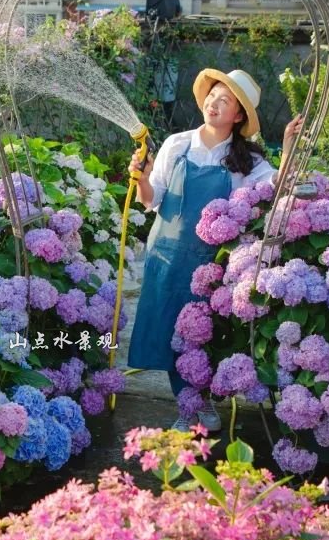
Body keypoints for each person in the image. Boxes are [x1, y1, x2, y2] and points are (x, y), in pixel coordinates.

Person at [127, 68, 304, 432]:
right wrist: (142, 178)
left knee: (202, 332)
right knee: (169, 330)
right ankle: (187, 407)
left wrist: (287, 148)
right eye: (212, 96)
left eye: (224, 101)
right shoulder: (177, 144)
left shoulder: (246, 160)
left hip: (211, 262)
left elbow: (278, 184)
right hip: (168, 253)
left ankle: (203, 401)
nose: (214, 104)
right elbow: (151, 200)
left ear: (238, 115)